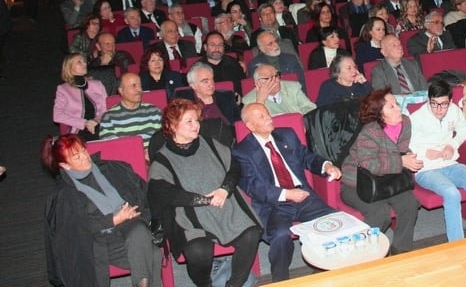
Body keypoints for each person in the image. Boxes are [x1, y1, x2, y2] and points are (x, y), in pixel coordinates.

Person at [148, 99, 261, 287]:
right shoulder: (162, 158)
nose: (196, 126)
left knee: (252, 233)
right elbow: (164, 193)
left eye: (196, 120)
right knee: (198, 250)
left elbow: (234, 167)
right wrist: (203, 200)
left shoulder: (209, 143)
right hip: (189, 215)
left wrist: (225, 190)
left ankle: (234, 284)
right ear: (172, 126)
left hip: (223, 204)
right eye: (189, 121)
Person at [232, 102, 340, 281]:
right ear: (250, 126)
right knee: (280, 235)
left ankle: (328, 271)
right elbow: (252, 186)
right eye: (262, 116)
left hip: (304, 196)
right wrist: (286, 194)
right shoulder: (242, 151)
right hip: (274, 204)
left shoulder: (286, 135)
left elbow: (306, 157)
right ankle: (280, 281)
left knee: (335, 223)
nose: (268, 118)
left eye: (267, 113)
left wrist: (326, 165)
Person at [43, 134, 162, 287]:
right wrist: (112, 220)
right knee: (153, 254)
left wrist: (134, 212)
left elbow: (141, 192)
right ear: (65, 165)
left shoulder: (110, 169)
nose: (85, 158)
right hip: (99, 241)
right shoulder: (64, 195)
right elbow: (74, 230)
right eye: (77, 157)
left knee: (139, 229)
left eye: (84, 151)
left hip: (131, 224)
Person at [410, 80, 466, 241]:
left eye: (443, 104)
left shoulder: (453, 110)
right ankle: (457, 243)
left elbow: (465, 128)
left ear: (450, 102)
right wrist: (424, 152)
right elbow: (405, 143)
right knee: (451, 193)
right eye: (434, 104)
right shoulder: (417, 117)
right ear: (428, 100)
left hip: (449, 163)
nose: (438, 109)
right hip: (426, 168)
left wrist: (453, 144)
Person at [339, 88, 420, 254]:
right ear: (379, 114)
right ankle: (359, 253)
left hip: (388, 179)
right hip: (357, 183)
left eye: (396, 104)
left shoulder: (405, 122)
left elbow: (401, 149)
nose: (398, 108)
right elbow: (369, 165)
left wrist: (408, 157)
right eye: (391, 107)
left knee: (410, 203)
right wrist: (401, 161)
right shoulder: (369, 132)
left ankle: (401, 250)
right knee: (380, 213)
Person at [99, 73, 163, 154]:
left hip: (154, 158)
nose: (139, 90)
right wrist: (138, 155)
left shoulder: (154, 111)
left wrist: (151, 152)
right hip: (126, 161)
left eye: (140, 85)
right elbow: (110, 147)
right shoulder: (109, 117)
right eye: (134, 86)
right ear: (121, 90)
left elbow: (163, 139)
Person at [54, 54, 108, 141]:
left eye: (84, 61)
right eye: (79, 62)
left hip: (99, 125)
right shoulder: (63, 89)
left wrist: (96, 121)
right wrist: (85, 123)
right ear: (69, 67)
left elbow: (105, 108)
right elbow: (57, 115)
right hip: (78, 130)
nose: (85, 64)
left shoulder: (97, 84)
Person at [241, 63, 316, 117]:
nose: (276, 80)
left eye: (276, 76)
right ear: (258, 83)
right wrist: (260, 102)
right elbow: (255, 124)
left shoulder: (293, 87)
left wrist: (299, 119)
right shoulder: (249, 100)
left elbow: (310, 108)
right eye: (269, 78)